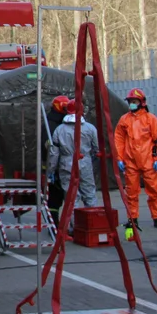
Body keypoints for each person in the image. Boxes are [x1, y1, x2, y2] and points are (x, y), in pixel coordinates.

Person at [115, 87, 157, 233]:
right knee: (131, 192)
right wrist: (120, 158)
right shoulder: (124, 120)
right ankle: (133, 218)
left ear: (141, 102)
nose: (132, 104)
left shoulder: (151, 119)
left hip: (148, 161)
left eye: (134, 101)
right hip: (130, 162)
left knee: (154, 191)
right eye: (130, 101)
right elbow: (118, 140)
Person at [48, 100, 100, 219]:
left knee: (71, 198)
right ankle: (92, 224)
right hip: (85, 163)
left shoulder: (59, 129)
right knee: (90, 195)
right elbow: (98, 149)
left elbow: (54, 153)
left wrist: (51, 170)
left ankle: (73, 227)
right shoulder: (90, 128)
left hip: (66, 163)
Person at [44, 95, 70, 223]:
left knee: (56, 198)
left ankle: (55, 226)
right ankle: (56, 225)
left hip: (57, 164)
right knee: (59, 198)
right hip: (60, 164)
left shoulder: (52, 122)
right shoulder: (55, 124)